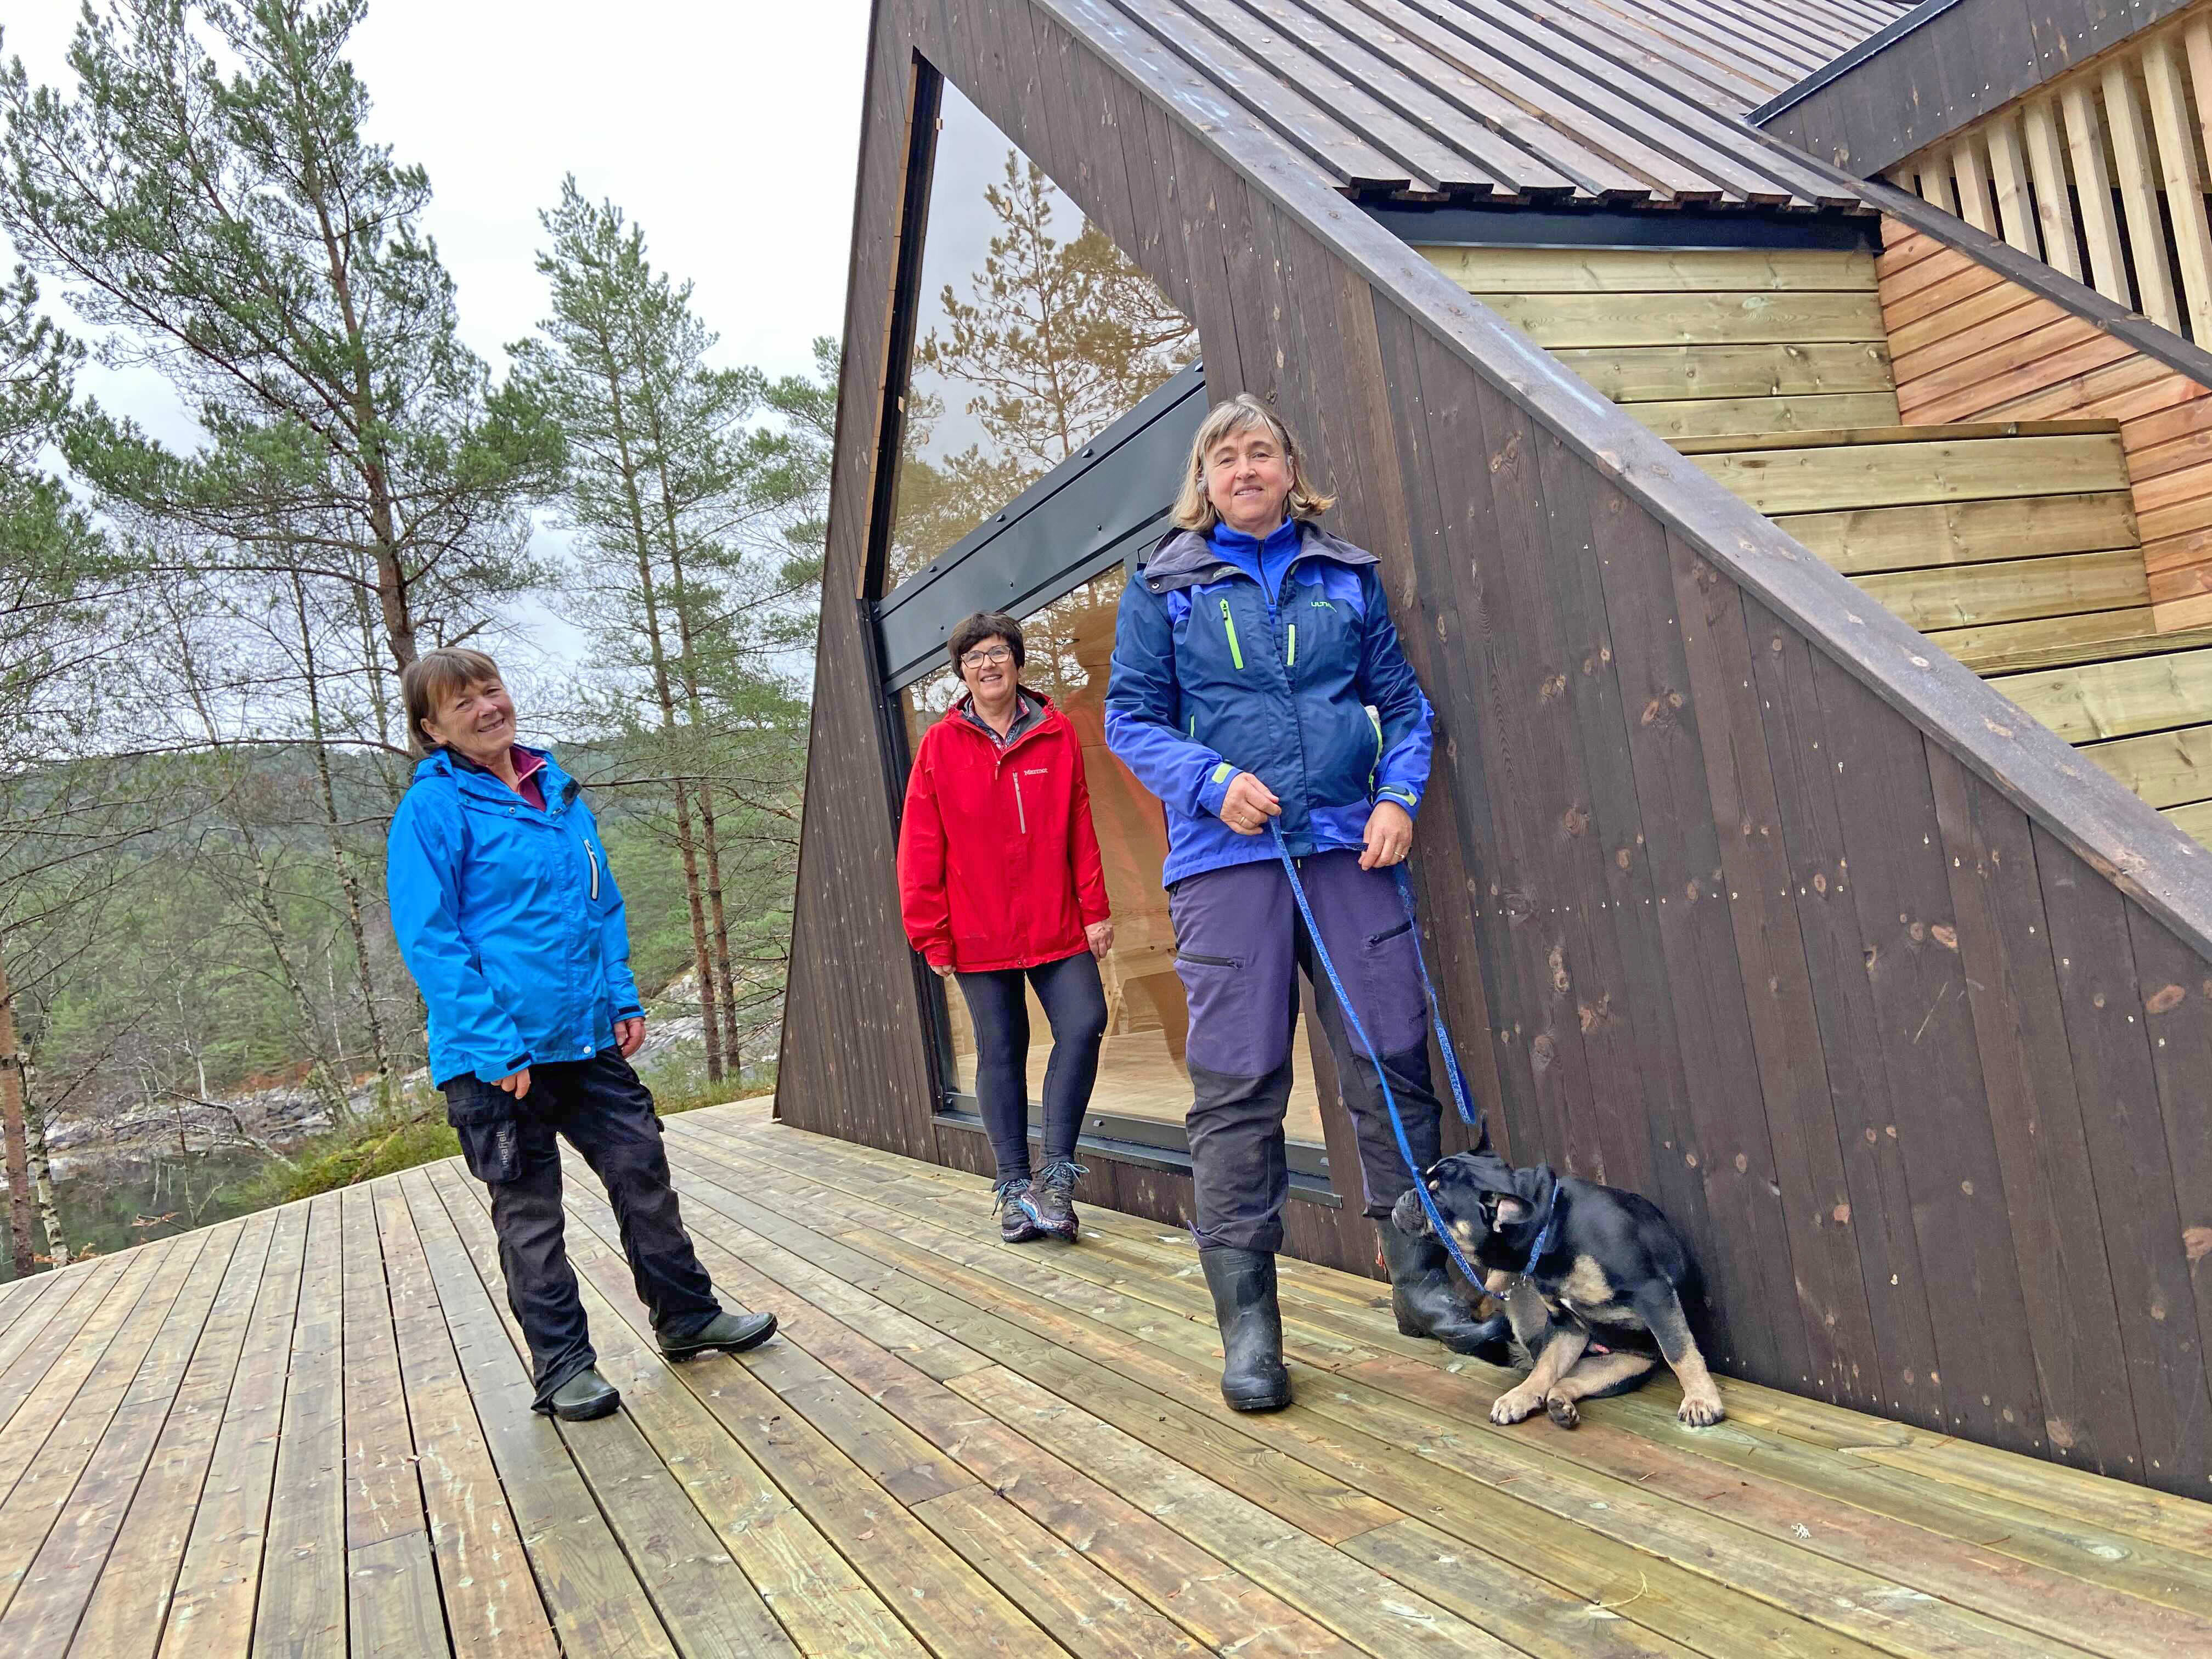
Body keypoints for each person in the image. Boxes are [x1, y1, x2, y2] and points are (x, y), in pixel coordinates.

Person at [1106, 394, 1508, 1412]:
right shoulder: (1164, 582)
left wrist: (1398, 798)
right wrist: (1209, 780)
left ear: (1291, 470)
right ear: (1204, 481)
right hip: (1226, 862)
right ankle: (1250, 1326)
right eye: (1225, 458)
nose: (1244, 470)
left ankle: (1422, 1283)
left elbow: (1403, 706)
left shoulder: (1346, 575)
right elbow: (1130, 718)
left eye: (1261, 453)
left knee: (1392, 1058)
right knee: (1238, 1086)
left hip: (1345, 851)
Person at [386, 647, 776, 1423]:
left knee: (642, 1170)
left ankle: (686, 1316)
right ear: (432, 729)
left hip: (586, 1036)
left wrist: (620, 994)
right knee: (532, 1214)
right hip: (499, 1057)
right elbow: (431, 940)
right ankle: (564, 1368)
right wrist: (492, 1044)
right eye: (463, 703)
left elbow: (600, 903)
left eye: (492, 689)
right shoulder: (432, 811)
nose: (488, 707)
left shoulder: (557, 792)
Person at [898, 612, 1114, 1243]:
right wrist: (930, 932)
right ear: (961, 673)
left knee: (1084, 1023)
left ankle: (1056, 1176)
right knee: (1002, 1049)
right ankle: (1016, 1189)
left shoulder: (1055, 732)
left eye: (997, 652)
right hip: (978, 929)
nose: (987, 665)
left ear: (1017, 661)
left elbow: (1079, 822)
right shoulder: (939, 747)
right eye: (973, 658)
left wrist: (1095, 908)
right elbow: (920, 844)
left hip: (1056, 920)